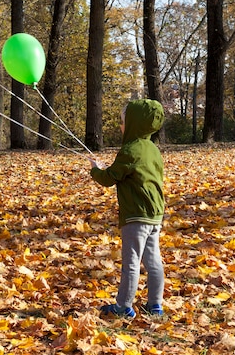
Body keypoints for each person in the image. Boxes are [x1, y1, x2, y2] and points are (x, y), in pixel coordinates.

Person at [88, 99, 166, 319]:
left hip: (136, 215)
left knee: (131, 262)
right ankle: (155, 304)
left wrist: (96, 170)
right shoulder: (152, 149)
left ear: (134, 124)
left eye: (123, 122)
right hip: (154, 214)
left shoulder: (130, 150)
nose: (121, 126)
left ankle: (123, 306)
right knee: (153, 261)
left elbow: (109, 178)